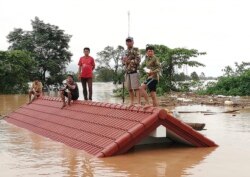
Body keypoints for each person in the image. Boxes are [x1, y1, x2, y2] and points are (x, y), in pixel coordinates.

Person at [122, 37, 141, 106]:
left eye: (130, 41)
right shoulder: (124, 52)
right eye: (127, 41)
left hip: (134, 71)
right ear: (126, 43)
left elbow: (138, 60)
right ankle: (132, 102)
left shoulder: (136, 49)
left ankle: (138, 103)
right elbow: (122, 62)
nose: (128, 43)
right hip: (127, 71)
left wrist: (129, 61)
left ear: (133, 42)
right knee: (129, 88)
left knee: (136, 88)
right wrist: (124, 61)